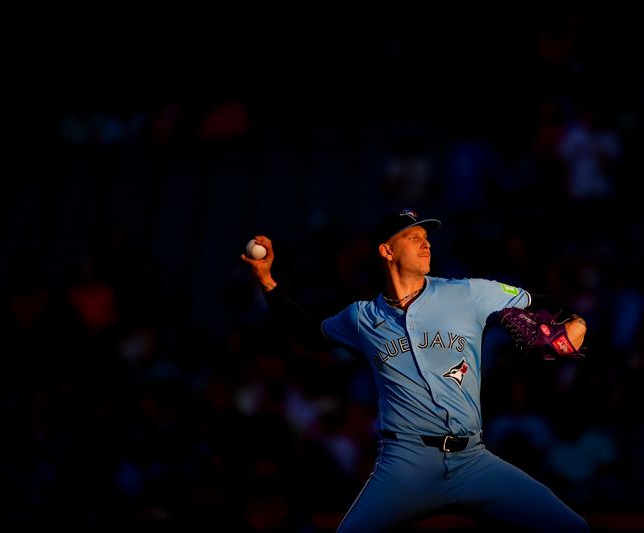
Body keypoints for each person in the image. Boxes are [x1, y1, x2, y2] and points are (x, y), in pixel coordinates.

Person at [241, 208, 590, 532]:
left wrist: (575, 324)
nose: (425, 242)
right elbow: (311, 335)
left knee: (573, 528)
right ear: (387, 251)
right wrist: (267, 282)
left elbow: (540, 302)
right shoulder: (362, 317)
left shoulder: (467, 292)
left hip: (473, 461)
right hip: (405, 464)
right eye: (412, 237)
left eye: (426, 237)